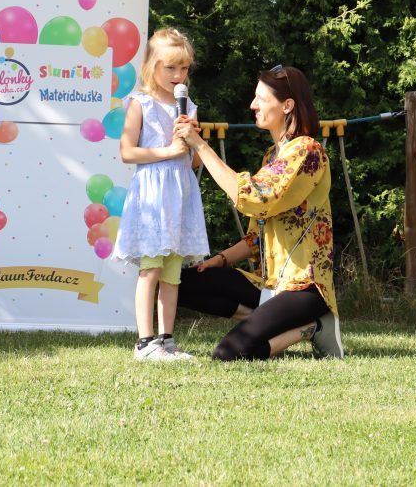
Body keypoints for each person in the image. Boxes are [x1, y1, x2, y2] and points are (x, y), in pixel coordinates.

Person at [174, 65, 342, 361]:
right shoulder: (272, 156)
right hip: (269, 286)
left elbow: (254, 198)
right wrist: (218, 261)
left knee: (229, 353)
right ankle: (272, 319)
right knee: (183, 283)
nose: (253, 105)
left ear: (287, 105)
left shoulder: (308, 151)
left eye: (261, 99)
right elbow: (256, 237)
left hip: (304, 288)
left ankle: (311, 327)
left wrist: (200, 145)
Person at [113, 28, 210, 362]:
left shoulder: (188, 107)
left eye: (183, 68)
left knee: (172, 273)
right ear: (151, 66)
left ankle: (167, 340)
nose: (178, 75)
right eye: (170, 67)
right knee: (151, 268)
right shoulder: (140, 103)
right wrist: (168, 151)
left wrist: (193, 139)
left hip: (180, 195)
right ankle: (144, 342)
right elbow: (127, 152)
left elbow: (193, 161)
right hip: (153, 197)